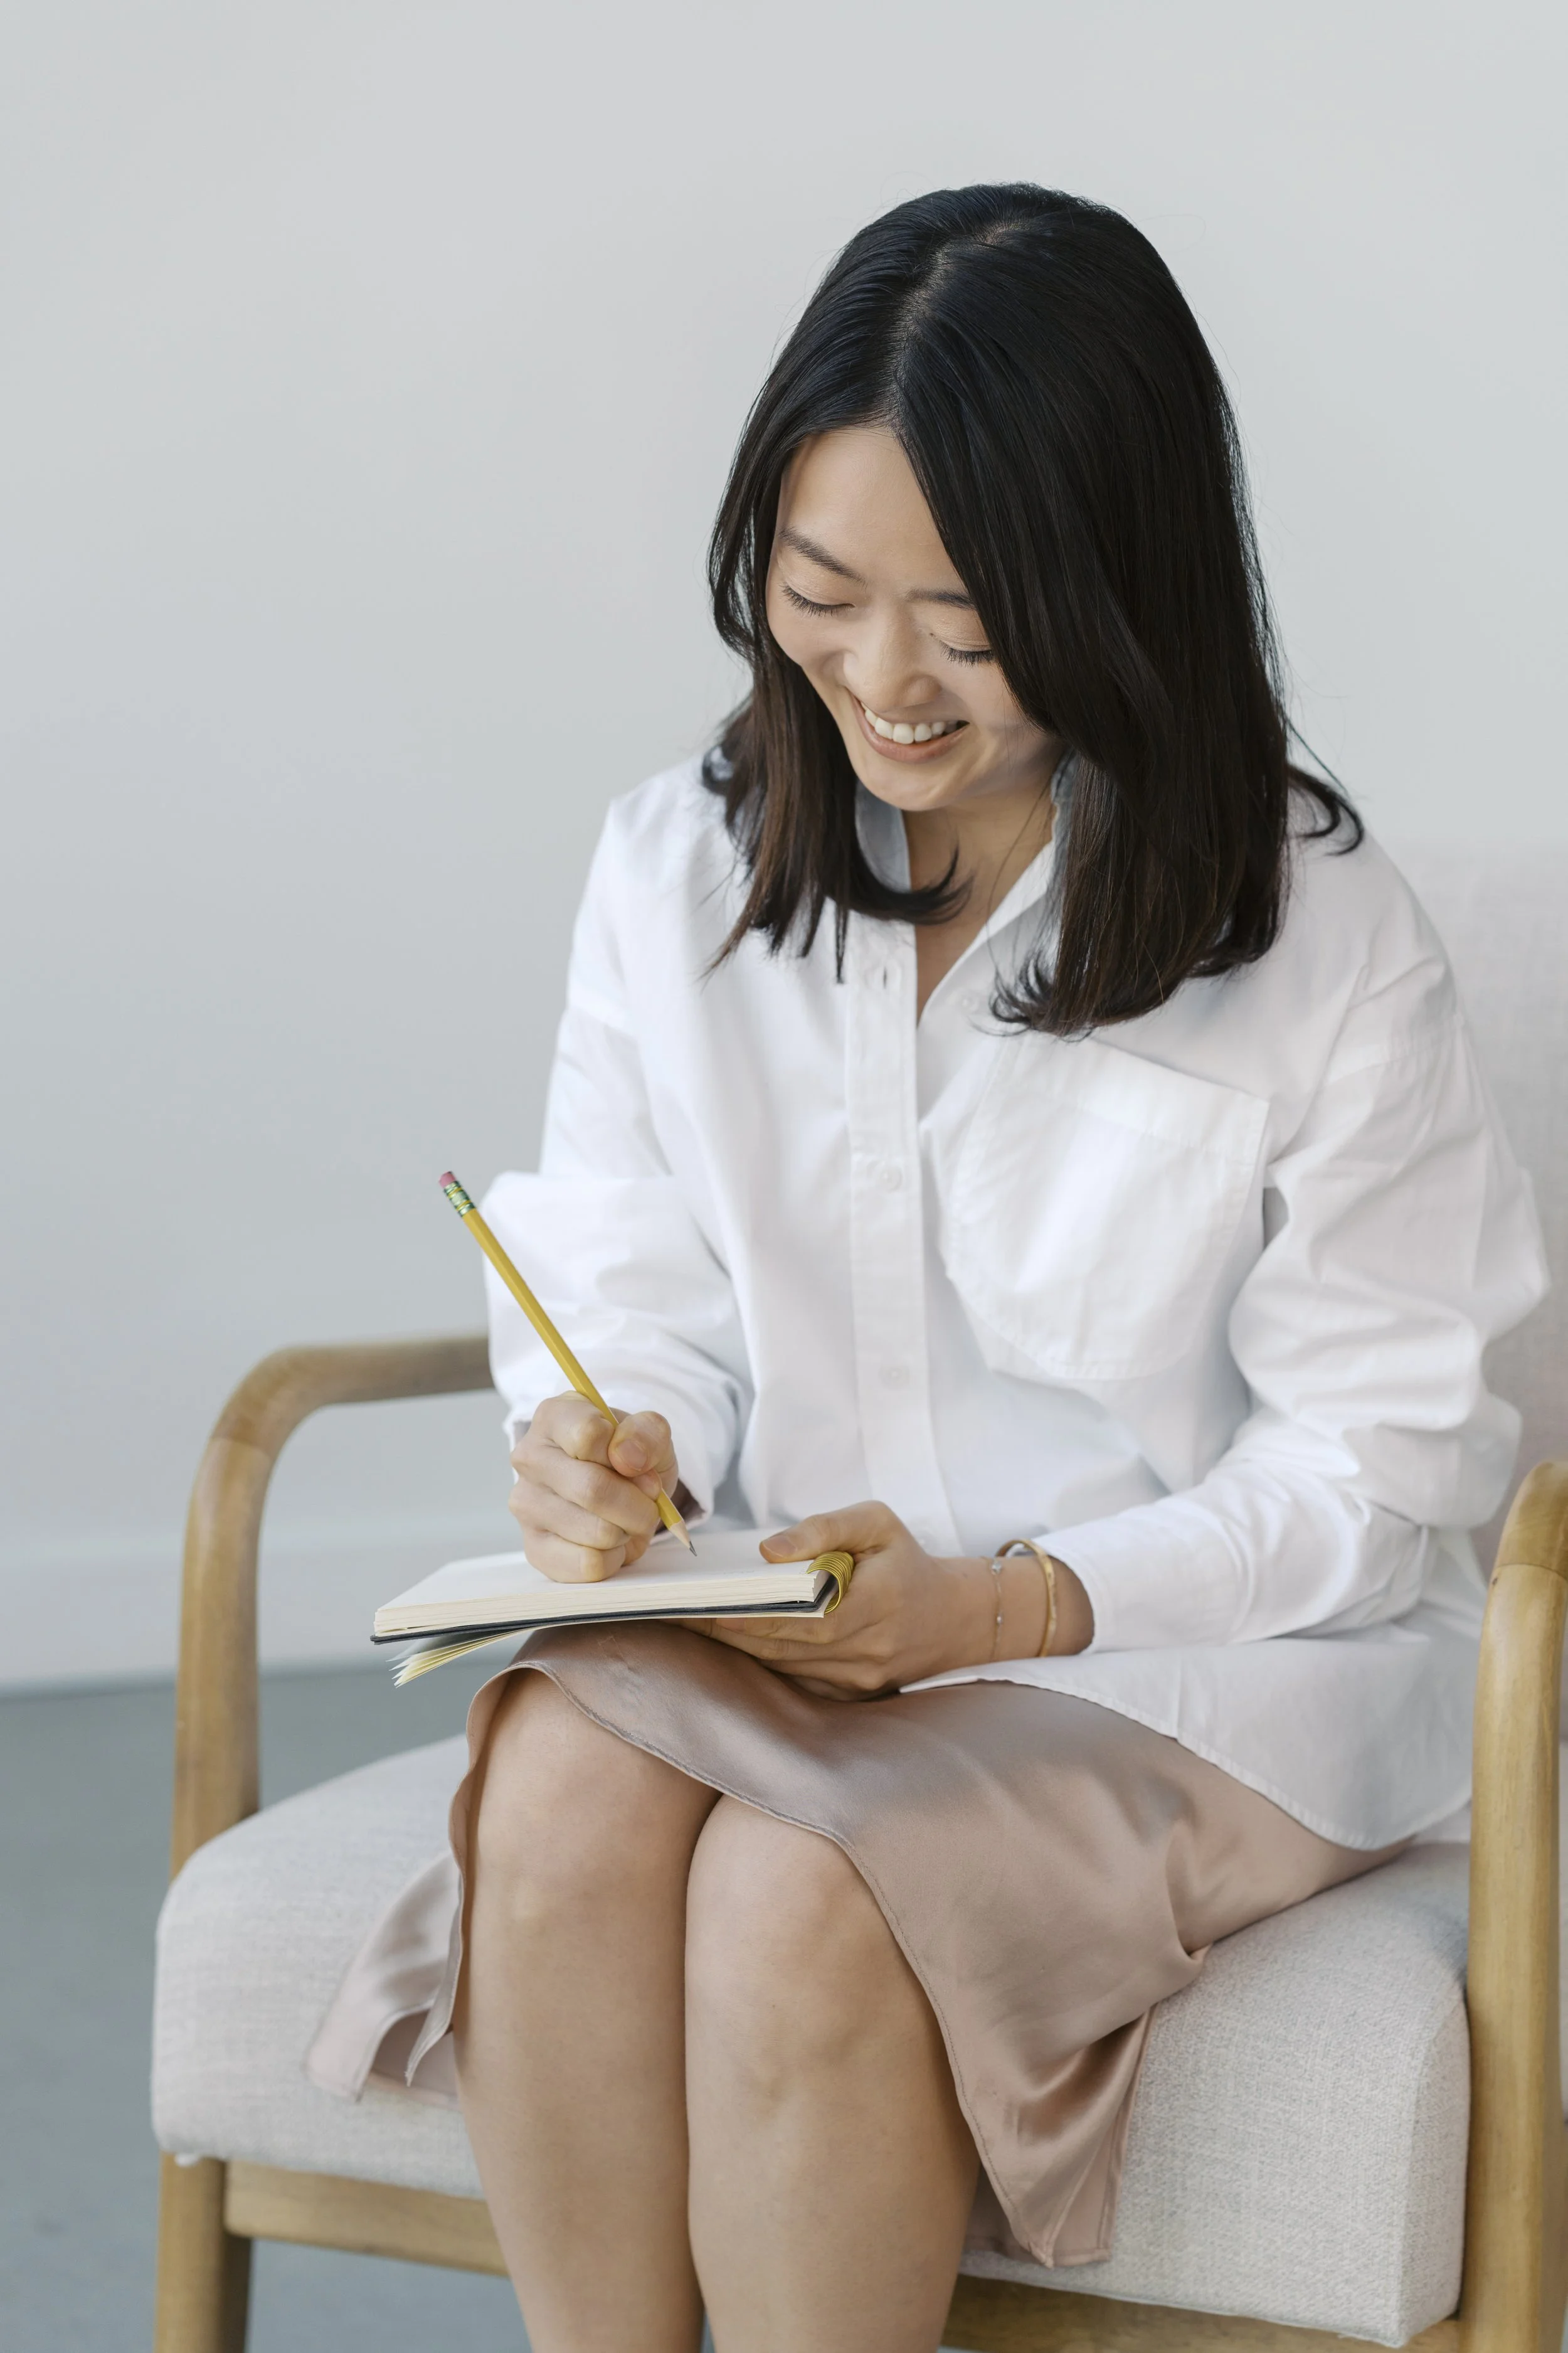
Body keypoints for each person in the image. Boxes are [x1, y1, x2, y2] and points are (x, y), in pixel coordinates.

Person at [312, 185, 1546, 2353]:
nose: (882, 680)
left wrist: (1005, 1609)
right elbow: (625, 1255)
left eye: (967, 621)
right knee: (567, 1783)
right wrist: (615, 1438)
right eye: (820, 595)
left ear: (1114, 589)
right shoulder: (671, 862)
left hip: (1189, 1666)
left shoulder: (1321, 943)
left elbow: (1391, 1465)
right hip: (787, 1627)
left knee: (803, 1893)